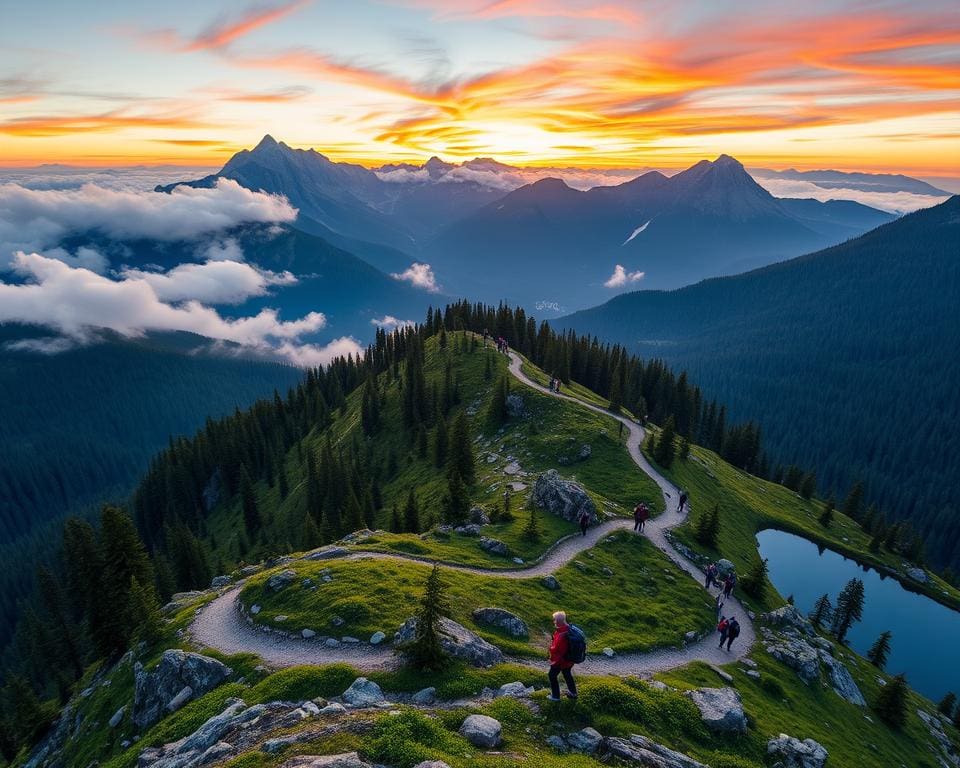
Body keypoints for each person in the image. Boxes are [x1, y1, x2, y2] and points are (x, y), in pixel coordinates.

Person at [546, 610, 577, 701]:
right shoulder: (569, 629)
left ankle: (555, 696)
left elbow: (556, 649)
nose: (554, 621)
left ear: (558, 621)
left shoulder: (561, 634)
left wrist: (551, 656)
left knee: (552, 675)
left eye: (554, 620)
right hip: (569, 660)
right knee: (567, 674)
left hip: (561, 661)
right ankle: (573, 693)